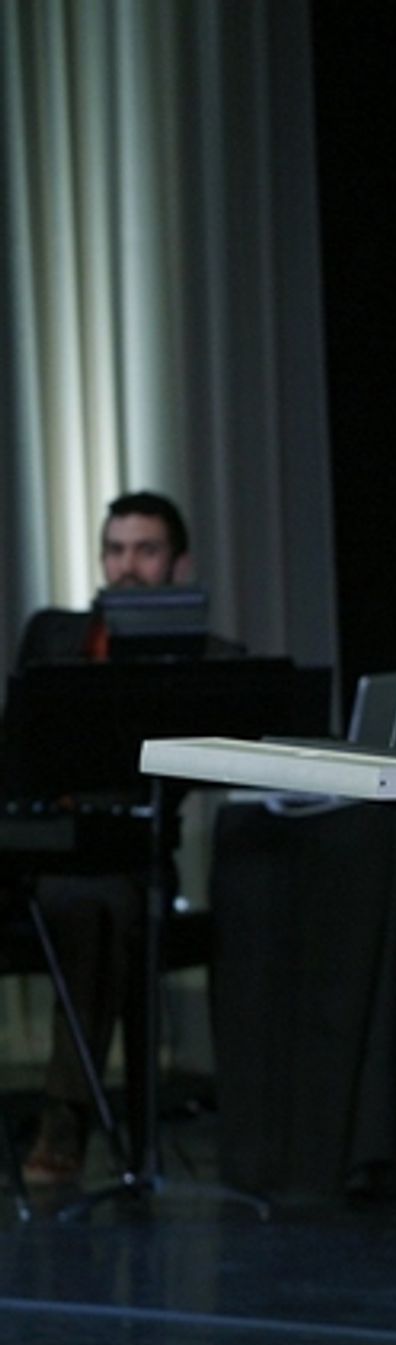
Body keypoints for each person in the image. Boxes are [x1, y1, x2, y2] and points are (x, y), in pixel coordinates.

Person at [14, 492, 197, 1187]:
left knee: (92, 904)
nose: (128, 566)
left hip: (125, 861)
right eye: (116, 550)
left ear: (178, 565)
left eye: (146, 550)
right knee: (75, 896)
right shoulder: (54, 636)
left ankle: (63, 1123)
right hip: (34, 850)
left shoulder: (198, 656)